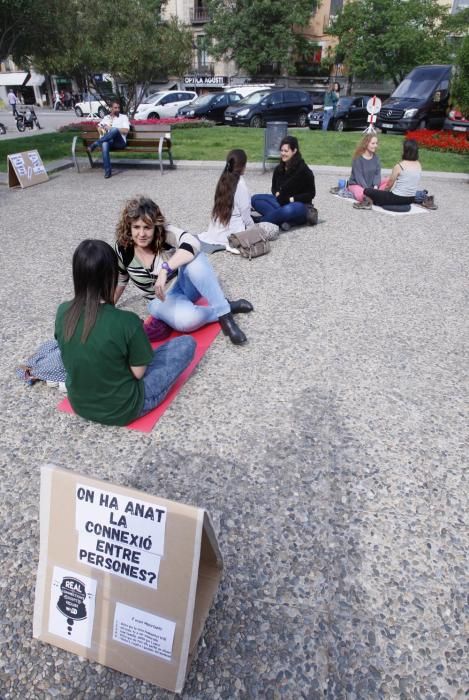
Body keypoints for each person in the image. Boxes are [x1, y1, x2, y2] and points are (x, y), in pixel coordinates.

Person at [55, 239, 196, 427]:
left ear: (77, 275)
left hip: (80, 404)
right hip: (125, 407)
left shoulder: (63, 311)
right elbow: (138, 374)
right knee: (186, 344)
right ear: (111, 276)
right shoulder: (126, 321)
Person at [114, 196, 253, 345]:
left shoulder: (164, 234)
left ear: (155, 226)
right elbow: (122, 279)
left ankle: (226, 319)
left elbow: (193, 242)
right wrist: (108, 306)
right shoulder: (123, 248)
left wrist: (164, 269)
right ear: (129, 226)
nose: (141, 234)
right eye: (136, 227)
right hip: (159, 299)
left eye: (147, 227)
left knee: (195, 259)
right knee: (187, 321)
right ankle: (228, 307)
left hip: (183, 285)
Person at [251, 135, 316, 231]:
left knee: (288, 209)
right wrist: (276, 193)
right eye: (281, 150)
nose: (283, 153)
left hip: (299, 206)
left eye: (286, 151)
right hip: (280, 202)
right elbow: (274, 188)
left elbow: (311, 193)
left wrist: (292, 199)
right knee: (255, 199)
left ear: (294, 151)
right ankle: (284, 221)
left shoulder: (304, 170)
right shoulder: (279, 169)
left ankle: (261, 220)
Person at [199, 149, 255, 254]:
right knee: (268, 229)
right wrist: (253, 229)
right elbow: (246, 215)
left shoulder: (223, 179)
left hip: (214, 232)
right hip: (232, 234)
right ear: (243, 165)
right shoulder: (241, 185)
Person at [355, 138, 422, 209]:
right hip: (410, 199)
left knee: (367, 190)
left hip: (398, 198)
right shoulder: (419, 165)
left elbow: (389, 185)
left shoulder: (399, 166)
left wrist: (382, 195)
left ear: (406, 151)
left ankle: (368, 202)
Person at [339, 134, 388, 202]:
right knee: (363, 195)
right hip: (358, 184)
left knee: (389, 181)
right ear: (366, 144)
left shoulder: (376, 158)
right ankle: (374, 196)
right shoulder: (358, 159)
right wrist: (369, 190)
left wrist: (376, 187)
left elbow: (377, 175)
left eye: (376, 143)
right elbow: (359, 178)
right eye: (373, 143)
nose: (375, 146)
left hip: (371, 186)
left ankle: (376, 195)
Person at [87, 100, 130, 179]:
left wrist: (111, 128)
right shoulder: (106, 118)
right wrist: (100, 128)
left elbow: (126, 130)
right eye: (115, 108)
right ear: (111, 109)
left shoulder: (123, 117)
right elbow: (99, 126)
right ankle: (108, 171)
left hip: (120, 142)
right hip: (109, 142)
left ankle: (95, 144)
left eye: (118, 108)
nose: (117, 109)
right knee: (104, 143)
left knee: (114, 130)